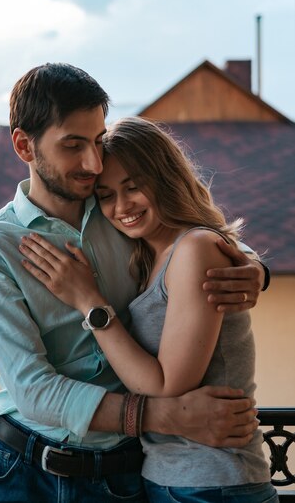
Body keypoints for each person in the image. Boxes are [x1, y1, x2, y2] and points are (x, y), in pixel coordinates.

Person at [0, 63, 268, 503]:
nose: (93, 163)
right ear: (24, 145)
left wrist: (252, 268)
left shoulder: (117, 214)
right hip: (26, 473)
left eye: (98, 141)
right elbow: (34, 391)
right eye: (73, 145)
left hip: (126, 475)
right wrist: (169, 417)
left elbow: (189, 239)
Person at [19, 115, 278, 503]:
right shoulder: (145, 252)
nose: (122, 206)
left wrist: (90, 303)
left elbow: (166, 386)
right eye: (106, 195)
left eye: (134, 187)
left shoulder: (193, 249)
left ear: (165, 178)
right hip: (170, 479)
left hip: (213, 482)